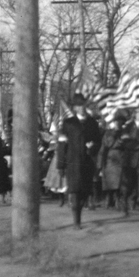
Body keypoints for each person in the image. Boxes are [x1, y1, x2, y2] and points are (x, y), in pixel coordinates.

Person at [56, 92, 103, 229]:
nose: (81, 108)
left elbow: (99, 142)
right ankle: (77, 221)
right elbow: (62, 145)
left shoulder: (93, 123)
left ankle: (79, 211)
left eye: (83, 105)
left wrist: (93, 146)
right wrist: (61, 165)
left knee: (85, 191)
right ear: (74, 108)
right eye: (78, 106)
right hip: (73, 162)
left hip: (88, 162)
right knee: (75, 191)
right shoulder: (68, 123)